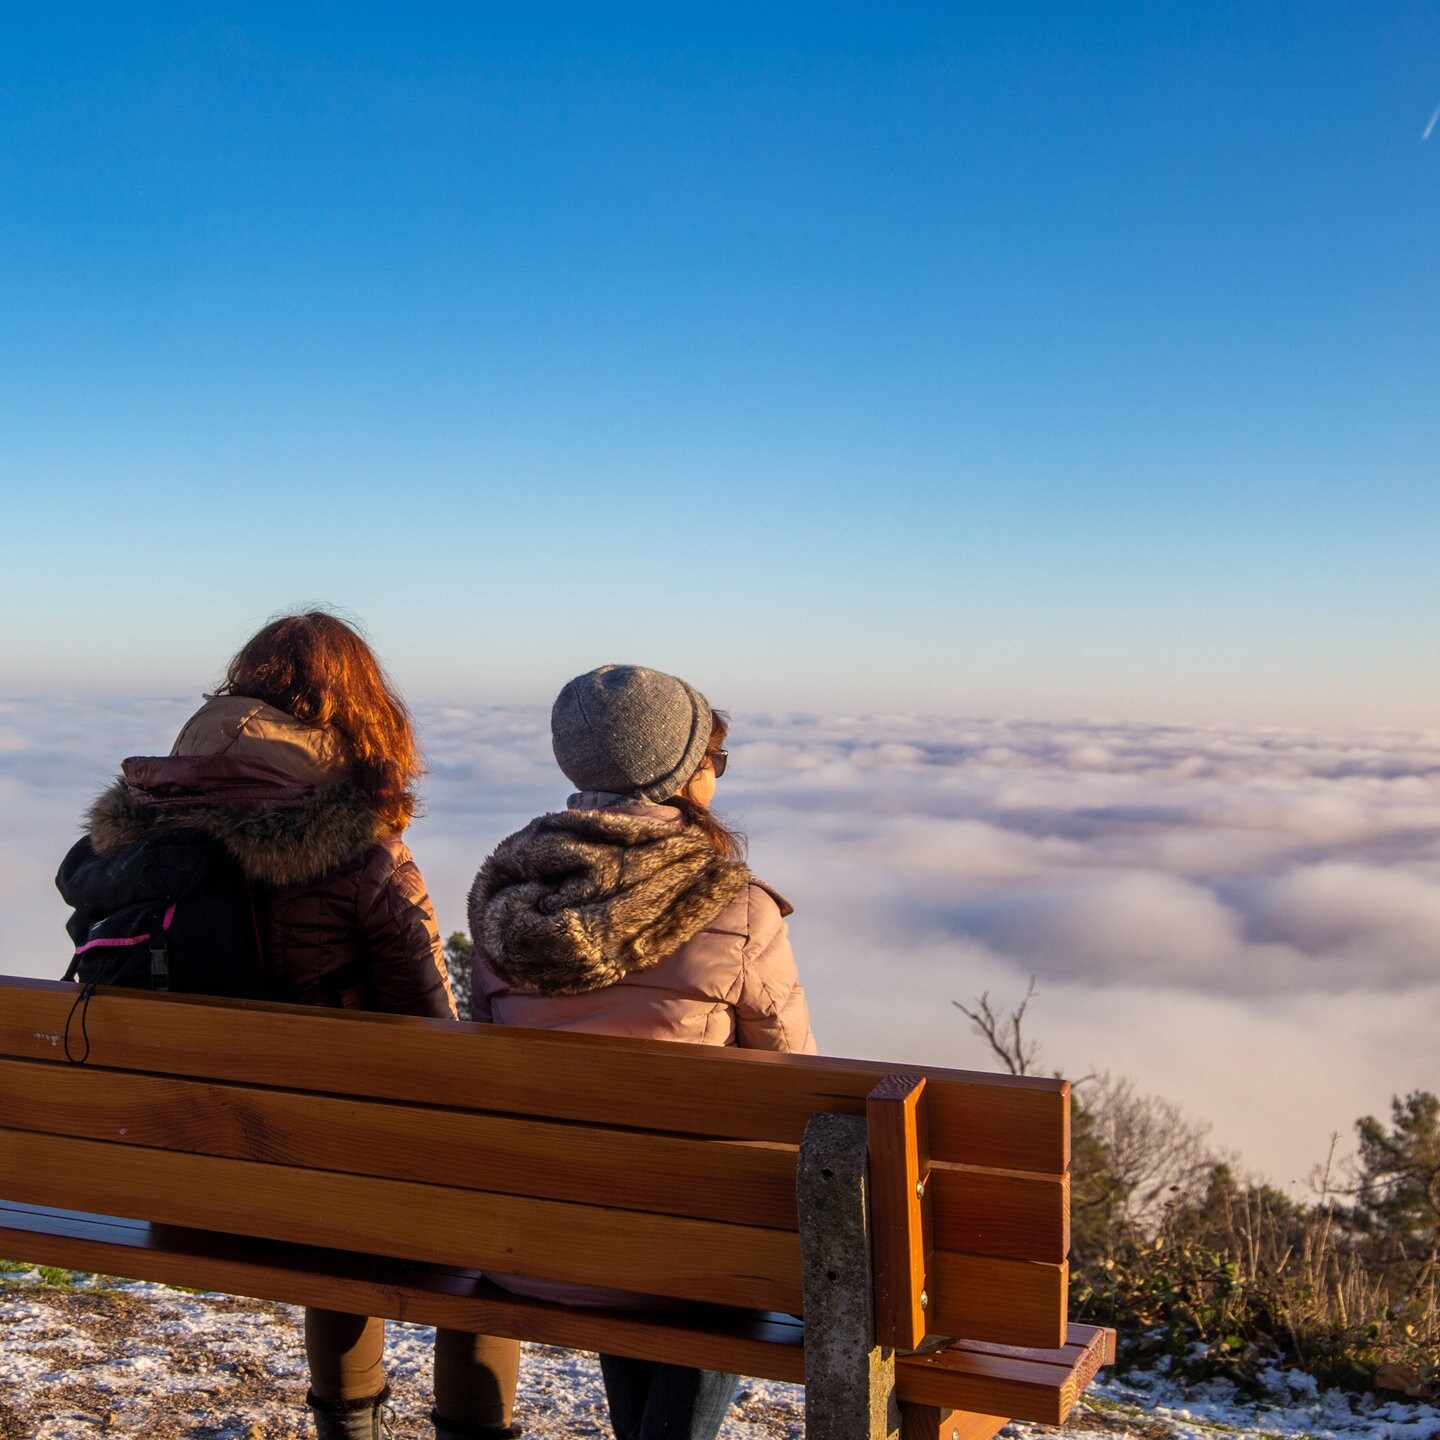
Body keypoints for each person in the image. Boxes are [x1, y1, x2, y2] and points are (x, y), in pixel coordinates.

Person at [56, 611, 520, 1440]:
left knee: (331, 1189)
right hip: (314, 1181)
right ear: (357, 711)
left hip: (174, 1175)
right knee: (496, 1221)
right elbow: (433, 1040)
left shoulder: (132, 836)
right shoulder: (357, 851)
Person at [467, 663, 816, 1440]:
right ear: (684, 774)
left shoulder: (503, 898)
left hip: (523, 1240)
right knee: (717, 1218)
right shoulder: (741, 909)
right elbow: (797, 1095)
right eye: (712, 761)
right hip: (683, 1260)